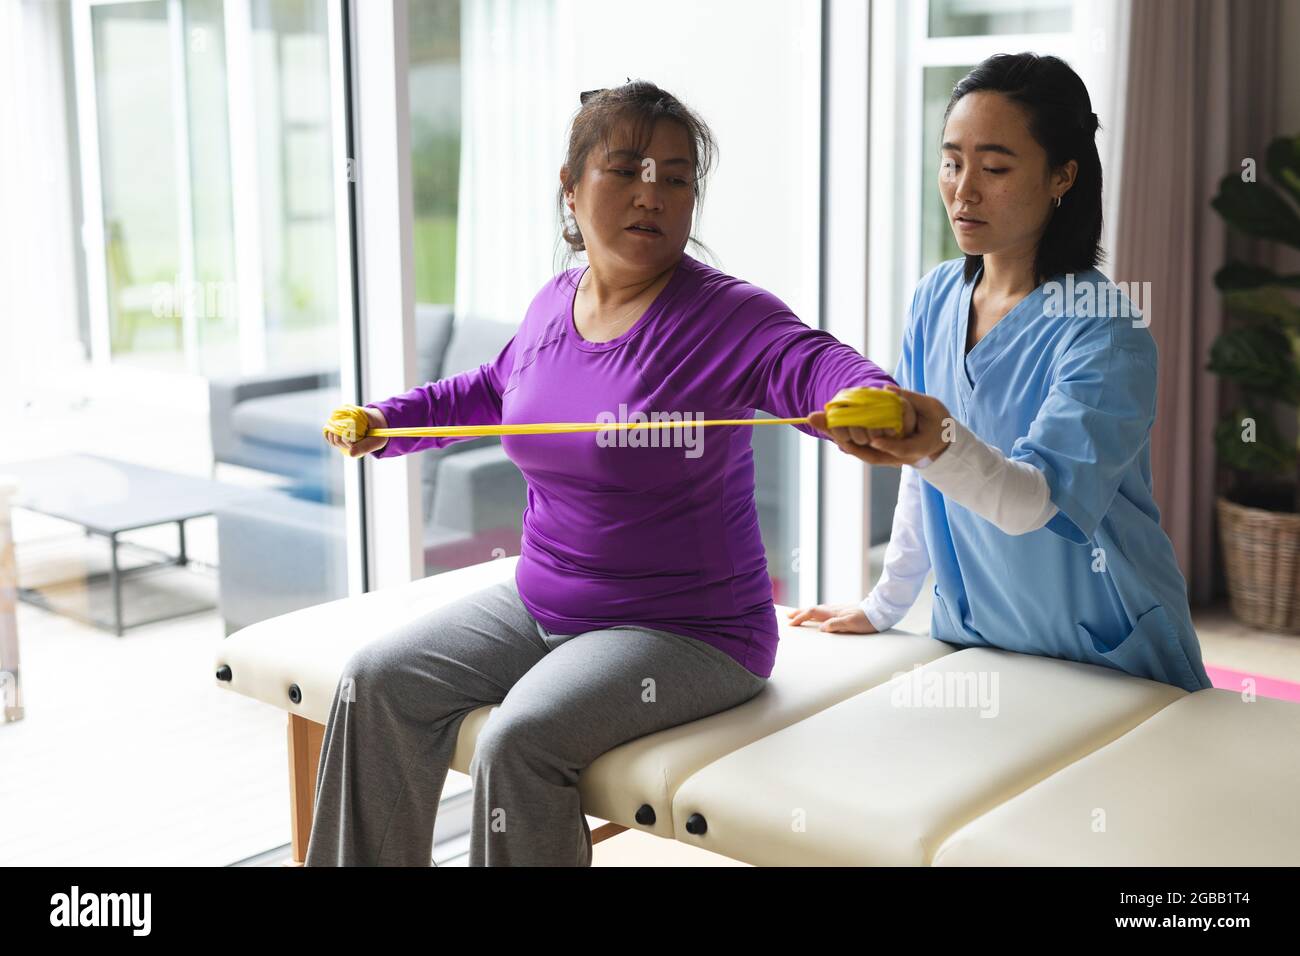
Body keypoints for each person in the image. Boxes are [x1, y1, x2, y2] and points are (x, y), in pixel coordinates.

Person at [308, 80, 895, 866]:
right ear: (571, 187)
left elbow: (810, 362)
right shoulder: (556, 302)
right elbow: (494, 390)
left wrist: (869, 399)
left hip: (689, 631)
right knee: (374, 683)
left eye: (677, 176)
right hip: (542, 599)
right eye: (626, 169)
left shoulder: (726, 316)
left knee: (520, 739)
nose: (652, 193)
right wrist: (388, 424)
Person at [792, 53, 1212, 696]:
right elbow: (921, 483)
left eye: (993, 167)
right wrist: (885, 604)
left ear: (1061, 177)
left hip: (1104, 652)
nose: (963, 189)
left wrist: (937, 442)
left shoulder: (1104, 331)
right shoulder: (935, 296)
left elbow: (1036, 503)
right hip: (979, 639)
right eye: (952, 161)